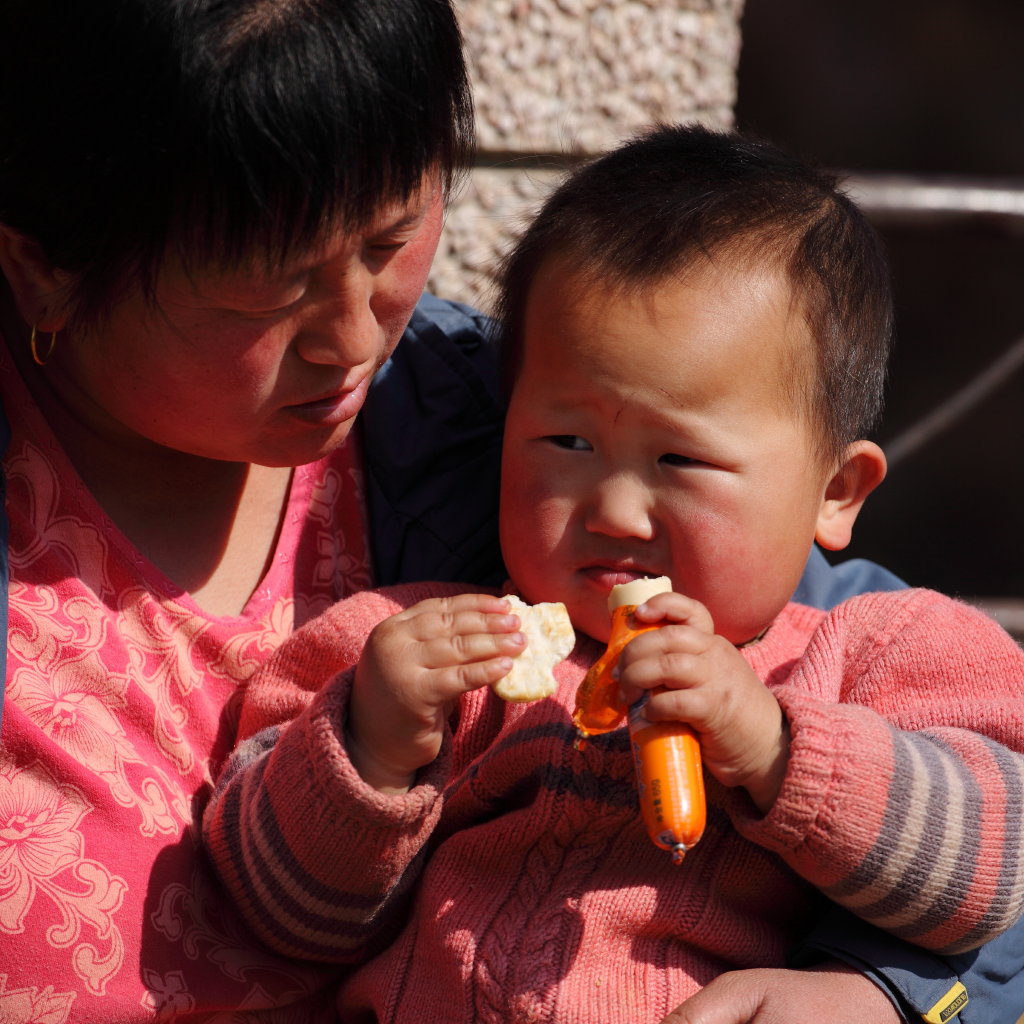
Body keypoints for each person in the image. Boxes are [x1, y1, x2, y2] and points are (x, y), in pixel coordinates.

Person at [202, 125, 1024, 1023]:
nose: (616, 511)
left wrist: (775, 749)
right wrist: (371, 745)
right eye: (567, 443)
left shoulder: (872, 652)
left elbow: (994, 874)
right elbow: (272, 915)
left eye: (681, 460)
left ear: (836, 490)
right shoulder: (417, 650)